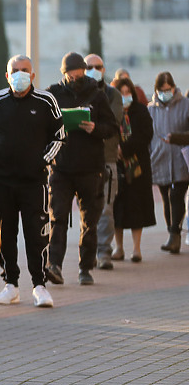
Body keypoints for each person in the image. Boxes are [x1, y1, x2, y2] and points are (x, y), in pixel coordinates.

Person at [0, 55, 63, 308]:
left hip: (34, 182)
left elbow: (59, 137)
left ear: (33, 75)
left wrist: (42, 161)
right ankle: (11, 285)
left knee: (36, 234)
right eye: (15, 70)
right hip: (1, 181)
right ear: (7, 75)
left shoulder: (46, 101)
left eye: (24, 70)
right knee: (6, 234)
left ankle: (39, 285)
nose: (20, 74)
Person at [46, 52, 117, 285]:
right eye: (70, 73)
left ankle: (85, 267)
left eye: (79, 73)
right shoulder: (53, 94)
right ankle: (54, 265)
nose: (75, 77)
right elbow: (41, 126)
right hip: (61, 168)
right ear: (63, 73)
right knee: (58, 218)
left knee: (89, 221)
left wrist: (94, 127)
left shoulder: (96, 95)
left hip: (90, 168)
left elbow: (112, 127)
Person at [109, 77, 155, 262]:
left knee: (137, 208)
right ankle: (118, 248)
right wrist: (116, 149)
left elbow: (146, 135)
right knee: (117, 208)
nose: (125, 97)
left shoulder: (141, 111)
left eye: (128, 93)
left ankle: (136, 249)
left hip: (138, 167)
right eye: (122, 93)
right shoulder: (111, 111)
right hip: (116, 165)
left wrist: (125, 149)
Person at [85, 54, 123, 271]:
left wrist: (91, 122)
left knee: (106, 208)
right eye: (89, 66)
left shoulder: (112, 94)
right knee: (87, 209)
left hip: (107, 159)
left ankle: (104, 251)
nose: (93, 70)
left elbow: (114, 120)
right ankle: (88, 252)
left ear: (103, 68)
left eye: (97, 66)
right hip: (83, 161)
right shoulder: (78, 92)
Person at [148, 71, 189, 254]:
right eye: (162, 89)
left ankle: (175, 234)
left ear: (173, 88)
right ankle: (171, 233)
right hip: (160, 158)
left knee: (176, 196)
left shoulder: (185, 105)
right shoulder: (151, 109)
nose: (166, 92)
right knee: (166, 198)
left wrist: (177, 138)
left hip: (181, 158)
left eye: (169, 89)